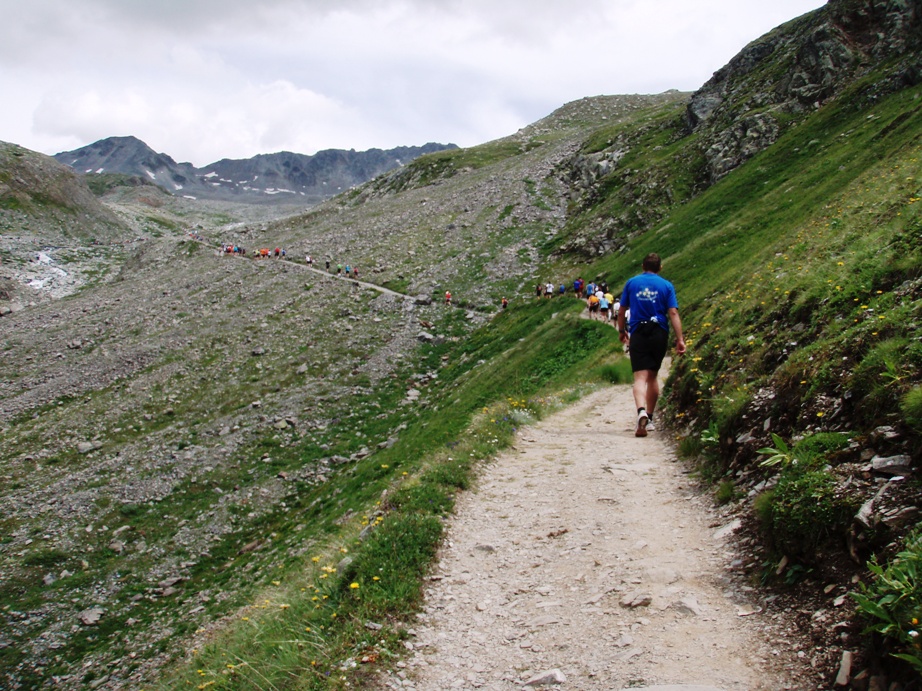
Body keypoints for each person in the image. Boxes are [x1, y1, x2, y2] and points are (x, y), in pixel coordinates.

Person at [617, 252, 686, 438]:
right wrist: (680, 339)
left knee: (639, 377)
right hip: (659, 332)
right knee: (653, 377)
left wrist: (622, 331)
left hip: (639, 331)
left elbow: (622, 310)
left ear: (642, 266)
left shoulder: (632, 283)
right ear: (660, 268)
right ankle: (650, 416)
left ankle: (640, 411)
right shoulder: (666, 285)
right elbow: (672, 312)